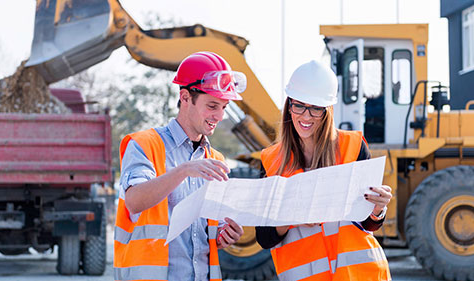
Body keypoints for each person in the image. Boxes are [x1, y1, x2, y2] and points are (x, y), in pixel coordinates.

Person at [255, 61, 393, 280]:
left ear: (327, 110)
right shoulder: (271, 161)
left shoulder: (353, 147)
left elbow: (368, 223)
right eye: (299, 105)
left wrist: (378, 208)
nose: (306, 116)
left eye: (316, 108)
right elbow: (264, 237)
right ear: (289, 105)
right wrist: (294, 218)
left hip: (359, 274)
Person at [114, 51, 245, 281]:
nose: (220, 115)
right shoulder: (145, 145)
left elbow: (205, 234)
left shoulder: (216, 160)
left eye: (224, 107)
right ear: (185, 98)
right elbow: (134, 201)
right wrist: (184, 170)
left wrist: (225, 234)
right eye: (213, 105)